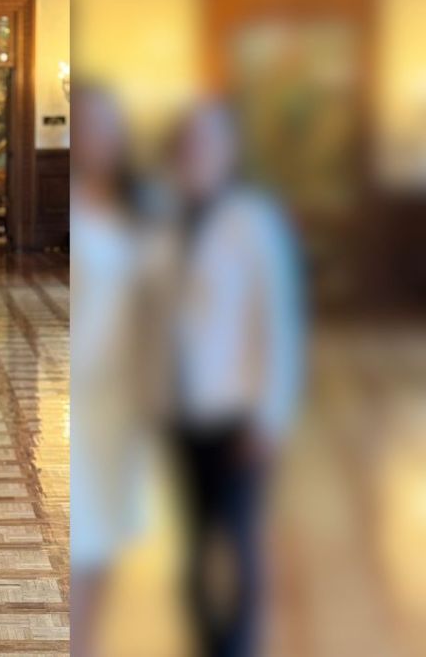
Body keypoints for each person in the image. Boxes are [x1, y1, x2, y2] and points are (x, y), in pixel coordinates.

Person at [166, 100, 303, 657]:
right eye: (189, 144)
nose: (198, 153)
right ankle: (208, 643)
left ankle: (239, 647)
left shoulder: (255, 221)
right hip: (180, 408)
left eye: (209, 143)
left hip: (238, 412)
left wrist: (270, 416)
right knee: (195, 543)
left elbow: (278, 322)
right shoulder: (165, 215)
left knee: (239, 542)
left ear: (229, 150)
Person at [69, 84, 162, 657]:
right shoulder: (75, 209)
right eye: (84, 127)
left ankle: (91, 641)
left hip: (124, 400)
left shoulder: (144, 207)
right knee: (83, 532)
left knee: (106, 537)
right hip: (81, 393)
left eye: (104, 126)